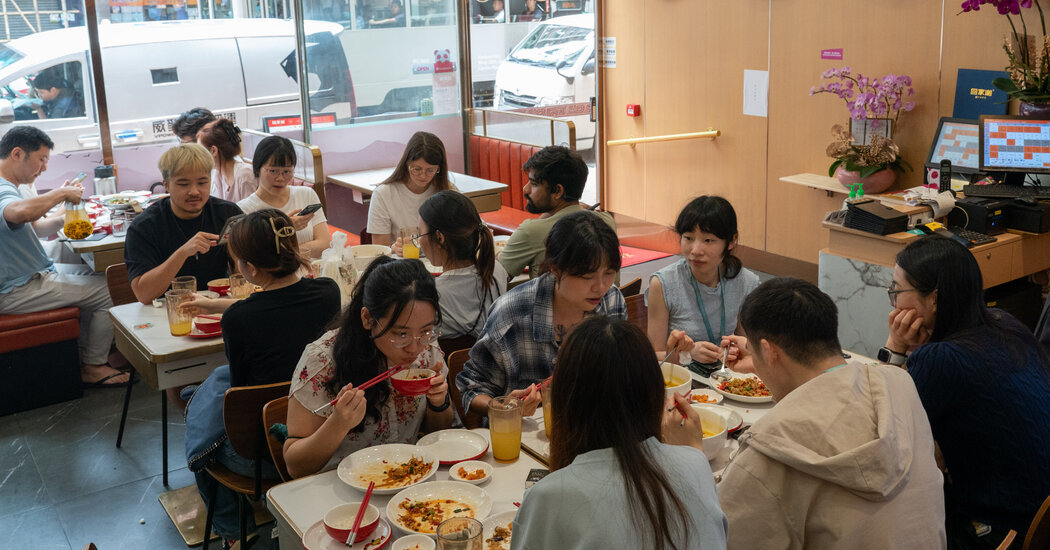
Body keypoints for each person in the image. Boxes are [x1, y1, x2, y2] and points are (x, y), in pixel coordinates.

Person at [714, 277, 946, 549]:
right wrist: (765, 364)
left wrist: (690, 455)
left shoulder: (765, 452)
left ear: (768, 349)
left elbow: (723, 538)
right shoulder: (901, 385)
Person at [184, 209, 340, 545]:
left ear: (250, 268)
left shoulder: (239, 320)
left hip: (261, 457)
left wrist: (226, 309)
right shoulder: (328, 293)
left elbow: (243, 392)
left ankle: (231, 530)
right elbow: (279, 305)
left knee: (202, 432)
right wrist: (218, 306)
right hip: (325, 440)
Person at [884, 236, 1050, 548]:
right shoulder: (1004, 324)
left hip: (1000, 529)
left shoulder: (941, 360)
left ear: (933, 298)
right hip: (1040, 516)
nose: (893, 301)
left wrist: (896, 348)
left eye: (896, 290)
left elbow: (883, 430)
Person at [511, 316, 728, 550]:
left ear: (567, 400)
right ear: (654, 392)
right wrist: (693, 452)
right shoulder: (696, 463)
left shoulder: (548, 498)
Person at [283, 256, 454, 477]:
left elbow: (436, 433)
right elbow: (295, 466)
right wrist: (338, 423)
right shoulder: (323, 360)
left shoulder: (427, 350)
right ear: (367, 318)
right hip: (340, 492)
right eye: (400, 333)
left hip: (408, 479)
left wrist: (438, 403)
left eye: (426, 330)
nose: (414, 347)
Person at [457, 211, 626, 416]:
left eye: (609, 273)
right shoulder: (512, 314)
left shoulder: (612, 300)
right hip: (526, 435)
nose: (600, 287)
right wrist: (504, 408)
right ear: (555, 268)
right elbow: (471, 387)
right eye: (587, 276)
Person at [0, 126, 130, 387]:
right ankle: (93, 366)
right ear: (17, 154)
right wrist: (60, 193)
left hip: (33, 276)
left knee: (103, 276)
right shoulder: (4, 189)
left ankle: (85, 355)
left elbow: (36, 227)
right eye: (42, 159)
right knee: (110, 290)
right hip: (15, 289)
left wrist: (65, 211)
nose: (44, 167)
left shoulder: (11, 186)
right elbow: (15, 214)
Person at [124, 142, 243, 304]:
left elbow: (251, 278)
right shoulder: (144, 226)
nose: (194, 191)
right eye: (183, 184)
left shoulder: (228, 213)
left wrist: (239, 255)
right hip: (167, 312)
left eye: (202, 183)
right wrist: (183, 252)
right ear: (166, 185)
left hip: (218, 306)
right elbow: (144, 295)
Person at [647, 196, 759, 366]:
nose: (696, 250)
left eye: (708, 240)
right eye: (688, 238)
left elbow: (748, 345)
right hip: (682, 380)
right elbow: (653, 356)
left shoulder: (745, 282)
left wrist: (737, 350)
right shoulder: (664, 283)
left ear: (731, 241)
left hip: (727, 377)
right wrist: (688, 353)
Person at [498, 146, 615, 280]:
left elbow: (496, 277)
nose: (525, 189)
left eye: (534, 184)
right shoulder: (607, 221)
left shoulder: (532, 231)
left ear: (558, 191)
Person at [416, 190, 507, 339]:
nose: (419, 241)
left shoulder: (434, 295)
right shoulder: (496, 270)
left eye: (420, 234)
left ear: (439, 237)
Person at [237, 136, 330, 258]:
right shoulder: (244, 209)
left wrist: (285, 251)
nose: (280, 178)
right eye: (273, 171)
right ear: (257, 168)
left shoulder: (307, 194)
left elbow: (324, 244)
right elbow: (257, 256)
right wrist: (285, 230)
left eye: (286, 171)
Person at [366, 131, 453, 246]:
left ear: (439, 168)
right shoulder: (384, 194)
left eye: (430, 170)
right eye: (417, 169)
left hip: (437, 261)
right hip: (400, 262)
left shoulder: (447, 192)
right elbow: (380, 250)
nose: (423, 175)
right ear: (406, 163)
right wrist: (393, 249)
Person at [197, 118, 256, 204]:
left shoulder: (245, 175)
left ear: (213, 151)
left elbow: (251, 214)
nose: (198, 156)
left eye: (200, 151)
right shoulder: (215, 174)